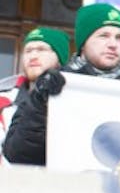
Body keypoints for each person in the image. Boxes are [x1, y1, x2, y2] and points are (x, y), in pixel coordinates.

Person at [3, 2, 120, 166]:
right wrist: (41, 104)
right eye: (103, 36)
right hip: (62, 189)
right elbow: (17, 153)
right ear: (83, 43)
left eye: (119, 37)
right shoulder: (52, 87)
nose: (113, 44)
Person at [0, 26, 70, 161]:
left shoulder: (75, 99)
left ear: (60, 58)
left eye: (41, 50)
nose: (33, 56)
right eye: (28, 51)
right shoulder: (3, 100)